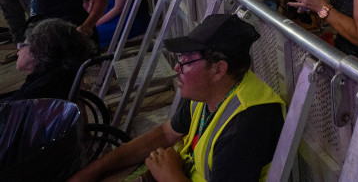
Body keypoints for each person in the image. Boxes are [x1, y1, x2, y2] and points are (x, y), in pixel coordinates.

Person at [69, 14, 285, 182]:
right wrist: (95, 169)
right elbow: (165, 133)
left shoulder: (247, 125)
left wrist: (170, 175)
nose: (176, 68)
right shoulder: (207, 91)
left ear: (218, 69)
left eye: (187, 61)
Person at [1, 18, 93, 102]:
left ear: (38, 51)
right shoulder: (61, 76)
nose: (19, 51)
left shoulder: (39, 93)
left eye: (23, 46)